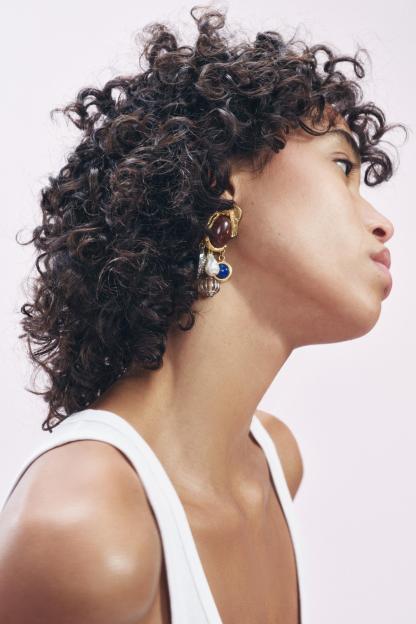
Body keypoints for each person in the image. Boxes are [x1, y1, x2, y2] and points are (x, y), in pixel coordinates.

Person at [0, 5, 406, 623]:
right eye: (342, 167)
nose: (383, 223)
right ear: (222, 185)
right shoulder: (82, 529)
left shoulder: (275, 462)